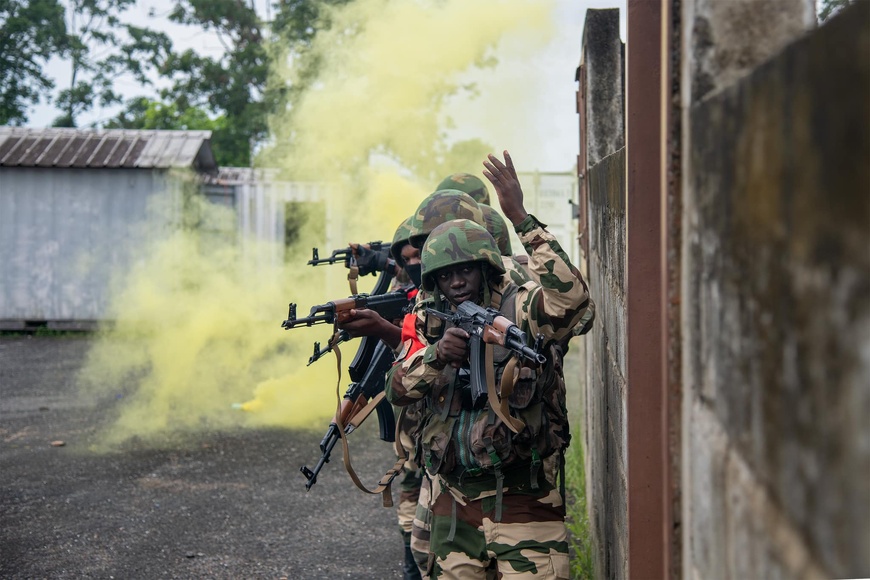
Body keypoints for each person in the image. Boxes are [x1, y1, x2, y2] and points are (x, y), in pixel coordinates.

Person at [386, 151, 591, 579]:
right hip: (453, 503)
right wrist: (437, 356)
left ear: (485, 267)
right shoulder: (430, 317)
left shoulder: (521, 306)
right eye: (445, 274)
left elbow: (571, 302)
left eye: (465, 270)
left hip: (523, 500)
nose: (457, 281)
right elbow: (397, 389)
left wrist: (521, 219)